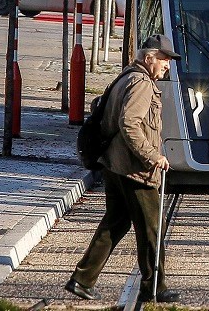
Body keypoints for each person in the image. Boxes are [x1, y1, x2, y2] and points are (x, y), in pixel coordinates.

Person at [66, 35, 181, 304]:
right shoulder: (141, 84)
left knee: (115, 222)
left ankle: (82, 279)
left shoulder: (126, 77)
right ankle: (155, 287)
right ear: (149, 57)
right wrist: (152, 156)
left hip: (114, 165)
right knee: (153, 228)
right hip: (133, 169)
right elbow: (130, 123)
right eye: (164, 59)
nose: (167, 66)